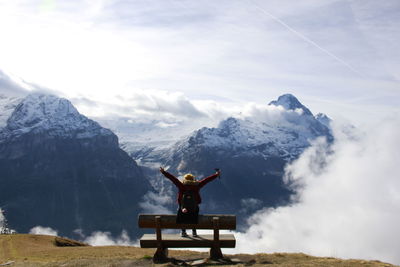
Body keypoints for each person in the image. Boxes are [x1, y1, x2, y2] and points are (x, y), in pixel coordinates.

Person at [159, 167, 221, 237]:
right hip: (194, 206)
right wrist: (216, 175)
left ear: (184, 179)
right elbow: (206, 180)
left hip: (183, 206)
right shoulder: (197, 185)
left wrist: (164, 172)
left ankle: (183, 232)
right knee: (194, 215)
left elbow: (173, 179)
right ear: (193, 179)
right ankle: (194, 232)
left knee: (182, 215)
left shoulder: (181, 185)